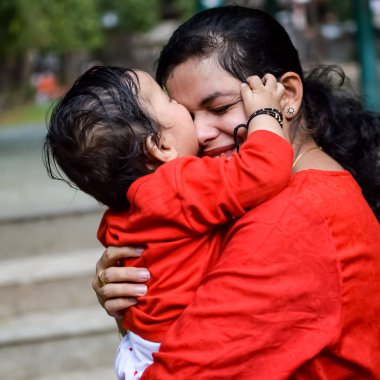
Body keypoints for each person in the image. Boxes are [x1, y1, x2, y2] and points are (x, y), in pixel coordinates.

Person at [92, 5, 380, 379]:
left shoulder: (294, 217)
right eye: (188, 116)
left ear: (287, 94)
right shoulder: (257, 197)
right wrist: (141, 297)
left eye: (220, 107)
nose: (200, 134)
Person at [43, 65, 294, 379]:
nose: (183, 109)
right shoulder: (178, 185)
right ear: (160, 148)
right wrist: (266, 110)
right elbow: (264, 169)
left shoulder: (124, 212)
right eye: (168, 101)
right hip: (185, 348)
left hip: (141, 349)